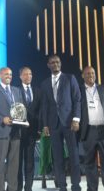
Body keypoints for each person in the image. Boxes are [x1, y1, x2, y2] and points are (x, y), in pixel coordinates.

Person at [41, 54, 81, 191]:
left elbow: (77, 99)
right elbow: (45, 106)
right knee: (57, 158)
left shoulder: (70, 78)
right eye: (52, 62)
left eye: (57, 62)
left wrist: (76, 119)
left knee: (74, 156)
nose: (55, 64)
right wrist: (45, 124)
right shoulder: (45, 83)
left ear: (60, 63)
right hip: (53, 125)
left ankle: (76, 185)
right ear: (48, 65)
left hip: (70, 122)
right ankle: (62, 186)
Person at [0, 67, 24, 191]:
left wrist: (24, 120)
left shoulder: (16, 90)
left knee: (14, 165)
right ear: (0, 75)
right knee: (0, 165)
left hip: (15, 132)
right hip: (1, 132)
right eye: (6, 74)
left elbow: (20, 109)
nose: (8, 76)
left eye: (10, 74)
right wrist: (2, 119)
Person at [17, 67, 41, 191]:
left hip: (32, 133)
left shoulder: (37, 91)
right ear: (20, 76)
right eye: (25, 74)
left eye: (30, 74)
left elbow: (41, 111)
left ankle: (28, 187)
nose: (29, 76)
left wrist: (40, 128)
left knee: (30, 162)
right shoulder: (15, 91)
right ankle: (18, 187)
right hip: (18, 133)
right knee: (18, 162)